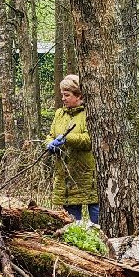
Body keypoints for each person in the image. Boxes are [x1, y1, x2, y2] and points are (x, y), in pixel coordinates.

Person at [47, 74, 99, 224]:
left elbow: (89, 140)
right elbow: (51, 134)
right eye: (62, 94)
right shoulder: (59, 114)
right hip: (66, 173)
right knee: (72, 221)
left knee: (95, 213)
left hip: (87, 173)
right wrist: (50, 144)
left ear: (79, 95)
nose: (63, 98)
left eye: (67, 95)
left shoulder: (89, 113)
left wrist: (66, 139)